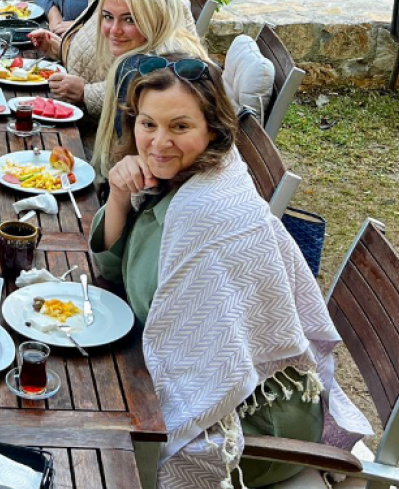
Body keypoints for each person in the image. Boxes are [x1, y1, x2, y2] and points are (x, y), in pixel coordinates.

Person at [90, 57, 370, 488]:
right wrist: (119, 196)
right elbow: (111, 268)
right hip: (212, 384)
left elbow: (189, 365)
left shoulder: (205, 214)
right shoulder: (176, 181)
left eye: (180, 127)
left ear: (213, 131)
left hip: (251, 424)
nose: (158, 142)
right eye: (148, 124)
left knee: (89, 443)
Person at [30, 0, 193, 146]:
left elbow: (158, 77)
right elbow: (98, 54)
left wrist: (86, 93)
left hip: (109, 142)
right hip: (76, 120)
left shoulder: (154, 1)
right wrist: (58, 48)